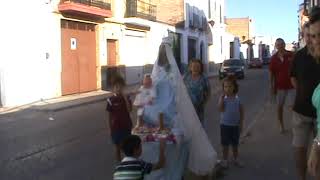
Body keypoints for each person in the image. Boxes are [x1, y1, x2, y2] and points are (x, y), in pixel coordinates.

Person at [290, 21, 320, 180]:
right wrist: (302, 92)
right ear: (303, 36)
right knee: (299, 148)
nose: (310, 39)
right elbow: (293, 77)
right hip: (301, 112)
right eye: (307, 35)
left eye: (313, 35)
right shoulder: (299, 56)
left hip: (319, 114)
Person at [269, 38, 295, 133]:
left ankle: (295, 125)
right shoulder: (273, 58)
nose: (280, 46)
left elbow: (297, 68)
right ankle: (281, 125)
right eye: (278, 44)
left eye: (281, 44)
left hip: (292, 85)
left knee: (294, 107)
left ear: (284, 45)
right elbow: (271, 73)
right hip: (279, 86)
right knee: (279, 107)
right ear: (276, 46)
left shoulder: (291, 55)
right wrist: (271, 86)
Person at [218, 76, 244, 168]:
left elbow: (241, 111)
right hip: (225, 125)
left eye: (230, 86)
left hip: (235, 126)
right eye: (225, 87)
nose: (227, 89)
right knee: (225, 144)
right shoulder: (223, 99)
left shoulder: (237, 98)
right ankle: (225, 159)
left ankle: (236, 158)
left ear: (234, 87)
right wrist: (221, 99)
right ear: (223, 88)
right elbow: (220, 109)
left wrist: (241, 124)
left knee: (235, 144)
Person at [106, 74, 133, 162]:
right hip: (116, 128)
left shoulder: (127, 98)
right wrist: (110, 128)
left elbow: (130, 110)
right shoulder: (110, 100)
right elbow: (110, 115)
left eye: (120, 87)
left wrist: (125, 99)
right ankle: (119, 164)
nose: (118, 89)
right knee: (117, 147)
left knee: (127, 147)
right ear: (113, 88)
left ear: (123, 87)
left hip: (126, 126)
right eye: (116, 86)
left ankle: (128, 162)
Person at [183, 59, 211, 123]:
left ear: (201, 68)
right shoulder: (186, 77)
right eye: (194, 67)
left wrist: (205, 103)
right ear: (190, 67)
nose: (196, 69)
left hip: (199, 108)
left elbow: (208, 92)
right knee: (188, 124)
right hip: (187, 107)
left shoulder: (204, 78)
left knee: (198, 125)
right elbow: (181, 89)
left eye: (198, 67)